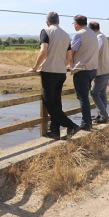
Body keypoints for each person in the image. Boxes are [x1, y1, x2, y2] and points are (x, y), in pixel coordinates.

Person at [28, 12, 80, 140]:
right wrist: (62, 64)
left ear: (47, 22)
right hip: (61, 72)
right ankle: (55, 131)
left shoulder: (45, 31)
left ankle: (72, 125)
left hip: (49, 72)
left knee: (48, 102)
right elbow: (69, 57)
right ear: (59, 21)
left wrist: (35, 67)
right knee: (56, 102)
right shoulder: (66, 35)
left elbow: (43, 51)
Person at [70, 15, 99, 130]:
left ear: (76, 23)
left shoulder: (78, 34)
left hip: (82, 69)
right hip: (92, 68)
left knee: (83, 97)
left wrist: (66, 63)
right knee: (85, 96)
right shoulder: (93, 33)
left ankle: (86, 123)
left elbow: (71, 52)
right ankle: (88, 122)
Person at [89, 21, 109, 123]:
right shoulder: (102, 36)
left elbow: (94, 51)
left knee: (94, 93)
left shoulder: (98, 37)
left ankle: (104, 115)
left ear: (91, 29)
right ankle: (103, 114)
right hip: (107, 68)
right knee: (102, 93)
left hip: (102, 70)